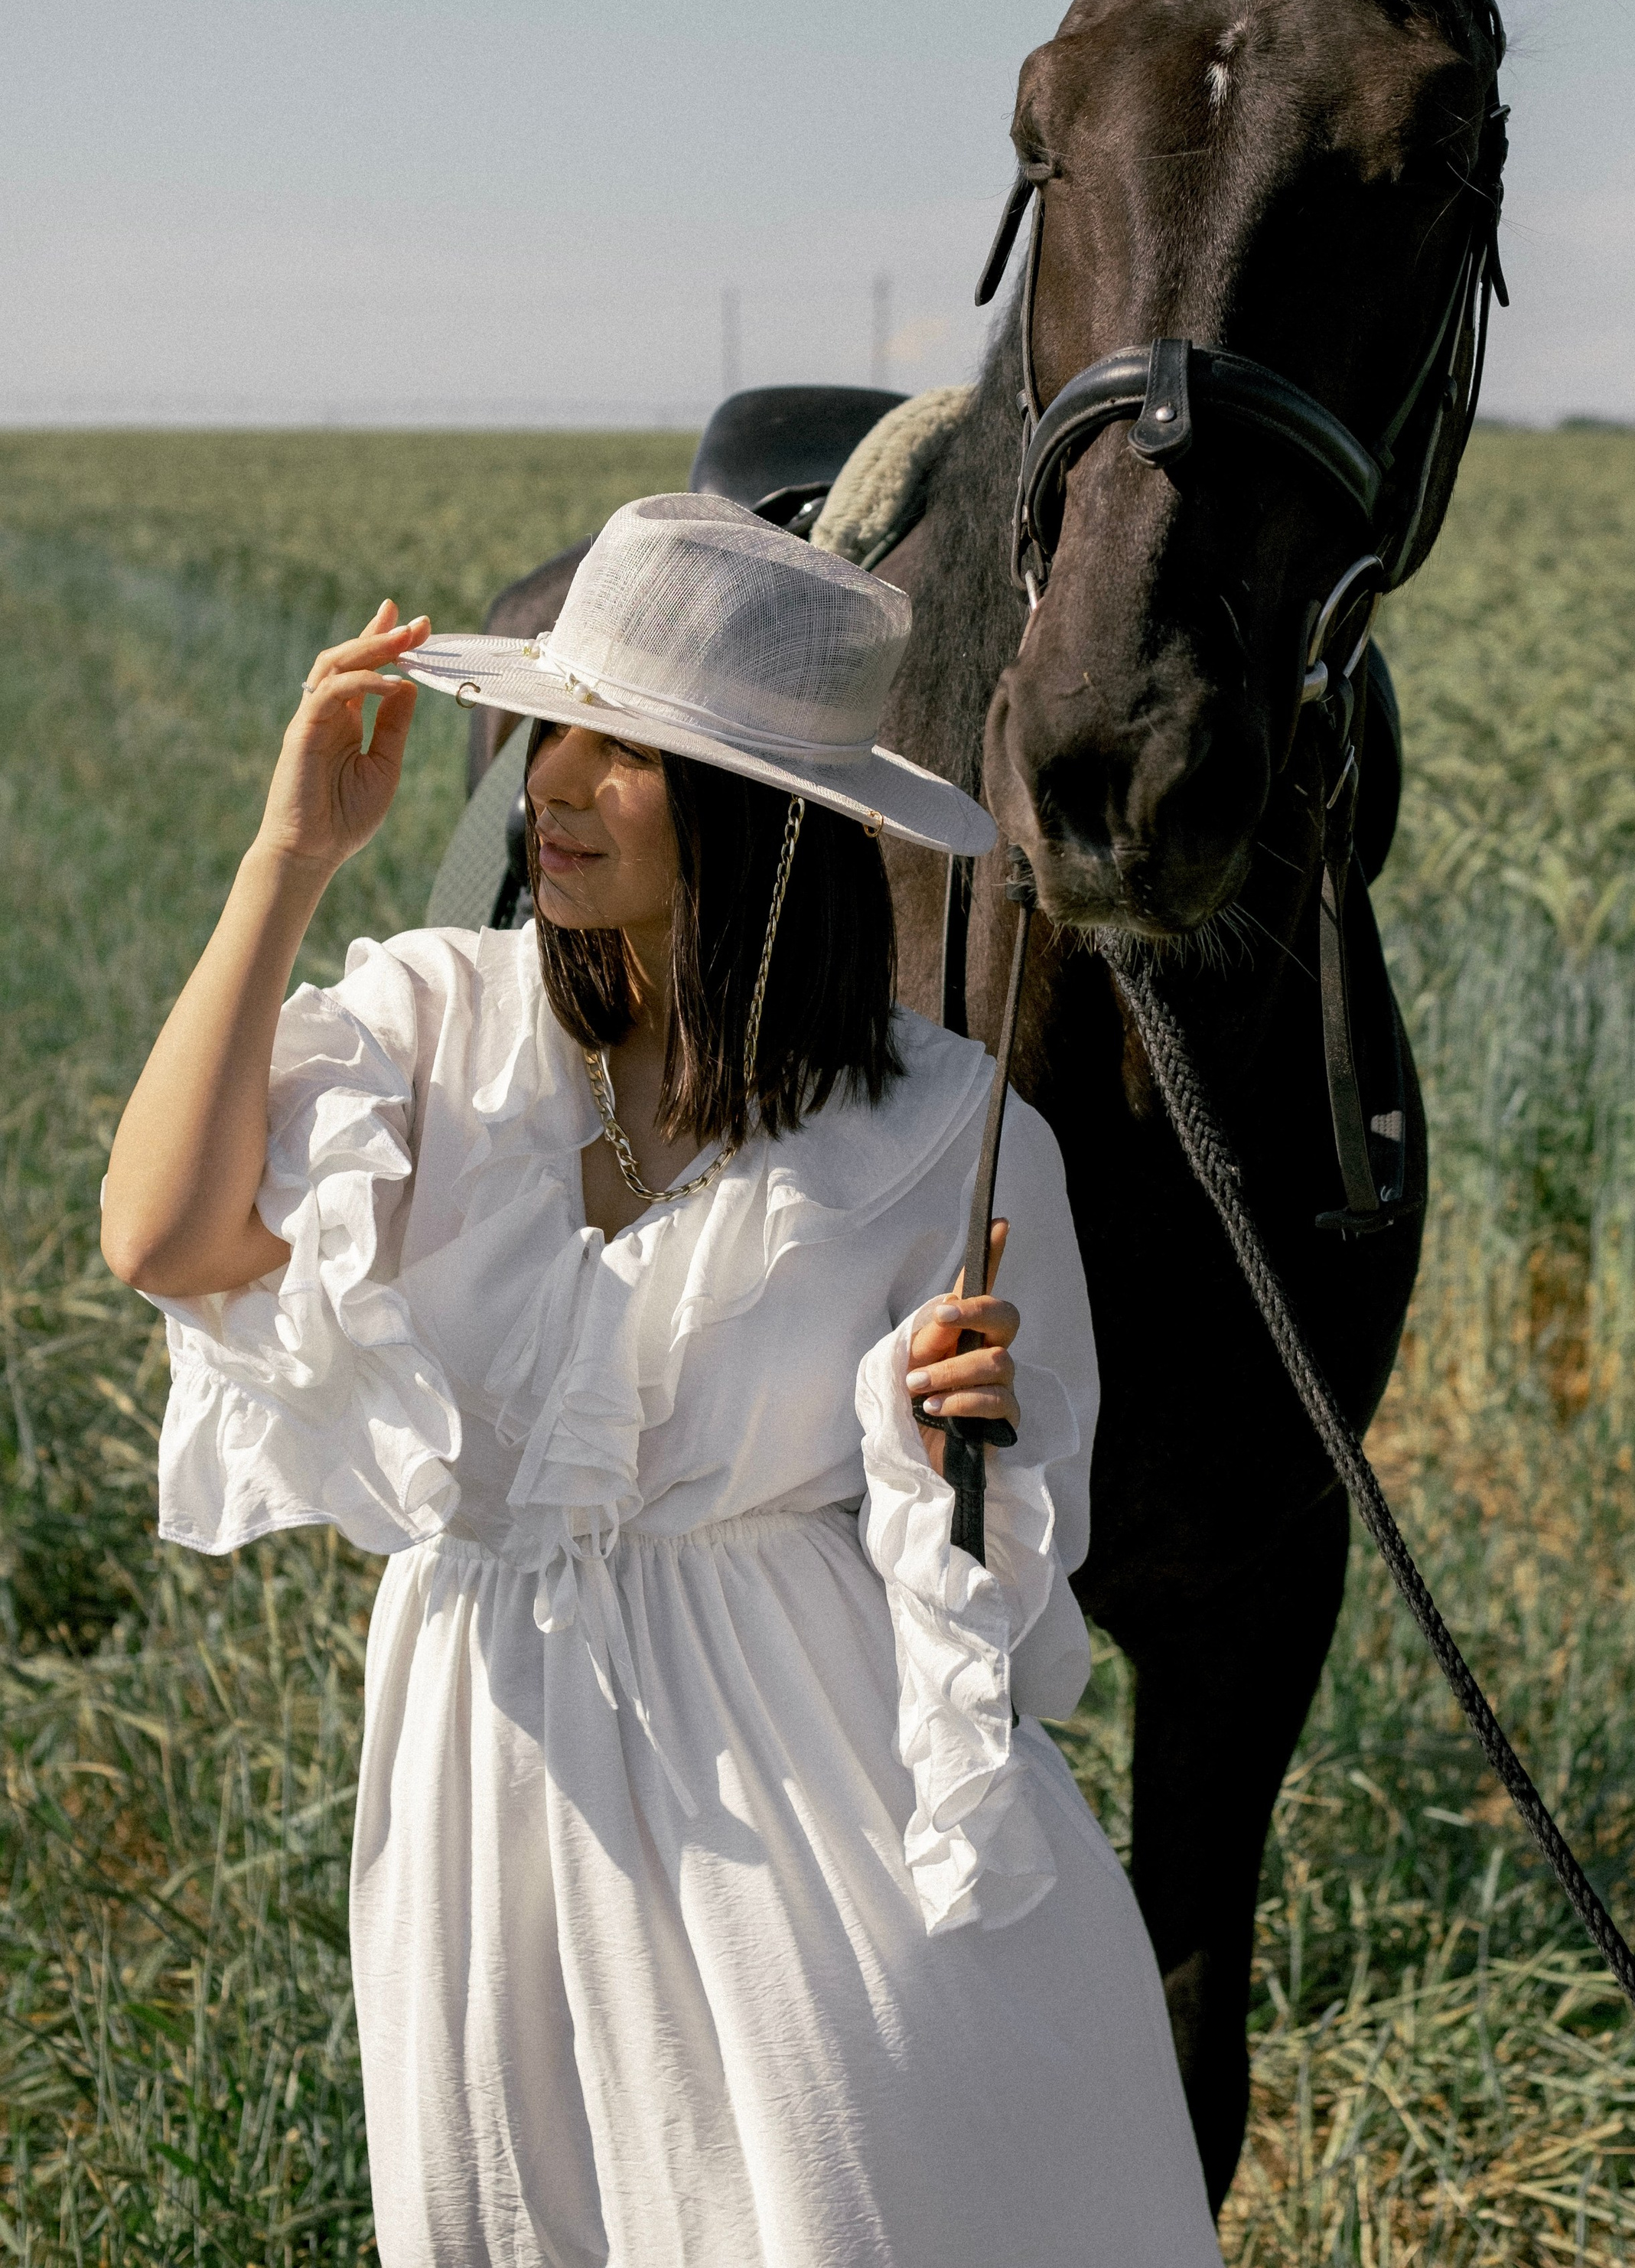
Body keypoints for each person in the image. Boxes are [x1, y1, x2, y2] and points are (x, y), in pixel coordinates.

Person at [103, 494, 1221, 2268]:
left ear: (761, 813)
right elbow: (164, 1237)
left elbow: (996, 1579)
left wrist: (952, 1437)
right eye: (552, 726)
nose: (549, 781)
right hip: (494, 1778)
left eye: (621, 749)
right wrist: (286, 857)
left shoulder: (940, 1128)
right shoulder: (436, 1033)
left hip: (798, 1794)